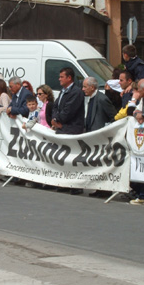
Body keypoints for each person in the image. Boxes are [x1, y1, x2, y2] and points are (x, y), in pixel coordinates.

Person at [51, 67, 85, 195]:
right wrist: (54, 119)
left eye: (61, 77)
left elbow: (68, 111)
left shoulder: (76, 92)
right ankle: (65, 183)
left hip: (72, 129)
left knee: (73, 157)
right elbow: (55, 106)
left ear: (69, 78)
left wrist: (59, 119)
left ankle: (76, 185)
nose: (59, 79)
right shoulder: (62, 91)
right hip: (62, 128)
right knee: (63, 157)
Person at [82, 76, 117, 198]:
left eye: (85, 87)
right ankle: (99, 187)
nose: (83, 89)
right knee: (96, 163)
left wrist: (106, 131)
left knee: (103, 163)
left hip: (101, 137)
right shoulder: (90, 99)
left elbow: (113, 116)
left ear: (92, 87)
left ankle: (105, 189)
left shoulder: (102, 99)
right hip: (92, 135)